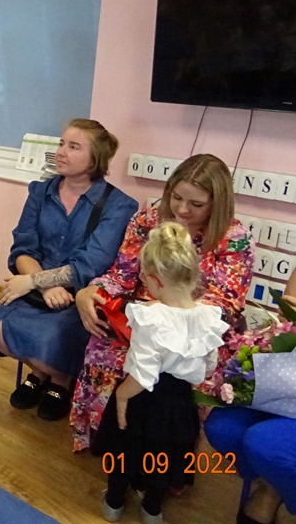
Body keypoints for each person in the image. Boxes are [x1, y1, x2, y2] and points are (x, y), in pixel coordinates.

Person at [71, 154, 254, 452]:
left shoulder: (233, 238)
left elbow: (224, 303)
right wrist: (91, 291)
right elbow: (122, 275)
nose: (182, 209)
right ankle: (111, 439)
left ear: (217, 204)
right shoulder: (146, 221)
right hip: (140, 320)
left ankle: (162, 452)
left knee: (178, 372)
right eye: (176, 197)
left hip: (195, 326)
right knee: (101, 350)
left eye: (196, 204)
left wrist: (165, 318)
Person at [0, 119, 138, 421]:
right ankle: (41, 374)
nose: (61, 152)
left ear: (95, 159)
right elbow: (23, 248)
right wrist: (43, 285)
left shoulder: (118, 206)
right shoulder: (40, 192)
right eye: (61, 143)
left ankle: (59, 381)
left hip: (81, 293)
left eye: (73, 147)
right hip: (39, 285)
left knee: (54, 336)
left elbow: (91, 264)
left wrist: (31, 281)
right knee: (2, 330)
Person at [94, 222, 228, 524]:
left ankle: (114, 502)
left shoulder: (151, 317)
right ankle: (152, 509)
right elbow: (208, 366)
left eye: (144, 276)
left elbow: (144, 373)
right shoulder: (209, 317)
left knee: (124, 452)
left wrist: (122, 397)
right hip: (179, 403)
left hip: (142, 400)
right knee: (164, 458)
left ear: (155, 280)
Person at [203, 271, 296, 524]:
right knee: (222, 429)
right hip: (289, 381)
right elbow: (288, 315)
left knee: (264, 443)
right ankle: (274, 481)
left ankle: (276, 491)